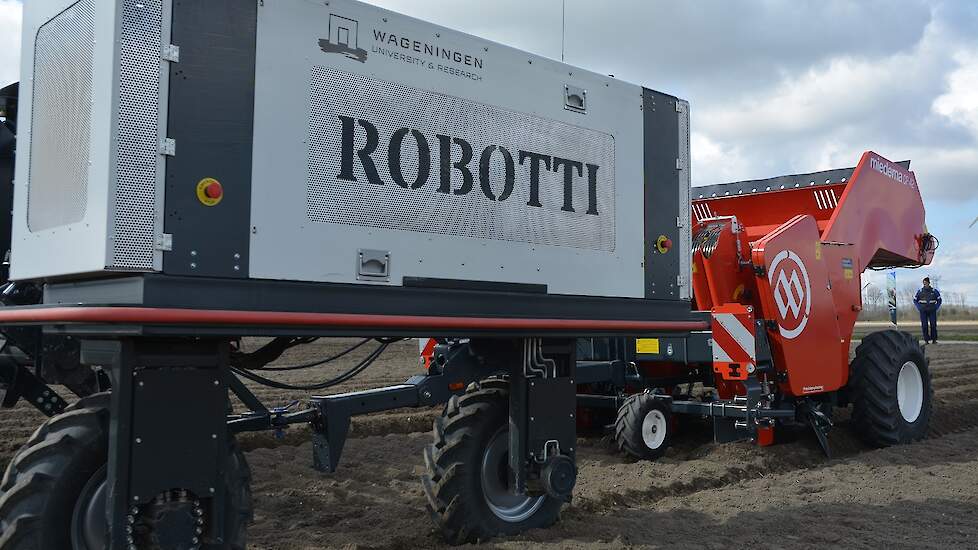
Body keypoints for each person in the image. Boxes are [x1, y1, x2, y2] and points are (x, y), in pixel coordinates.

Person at [914, 277, 942, 344]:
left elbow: (939, 300)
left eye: (926, 283)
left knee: (933, 325)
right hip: (923, 310)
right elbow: (915, 300)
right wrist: (919, 307)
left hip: (932, 310)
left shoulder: (934, 291)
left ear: (929, 283)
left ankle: (934, 340)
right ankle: (926, 340)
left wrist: (936, 307)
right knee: (924, 325)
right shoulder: (920, 291)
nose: (925, 284)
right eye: (924, 283)